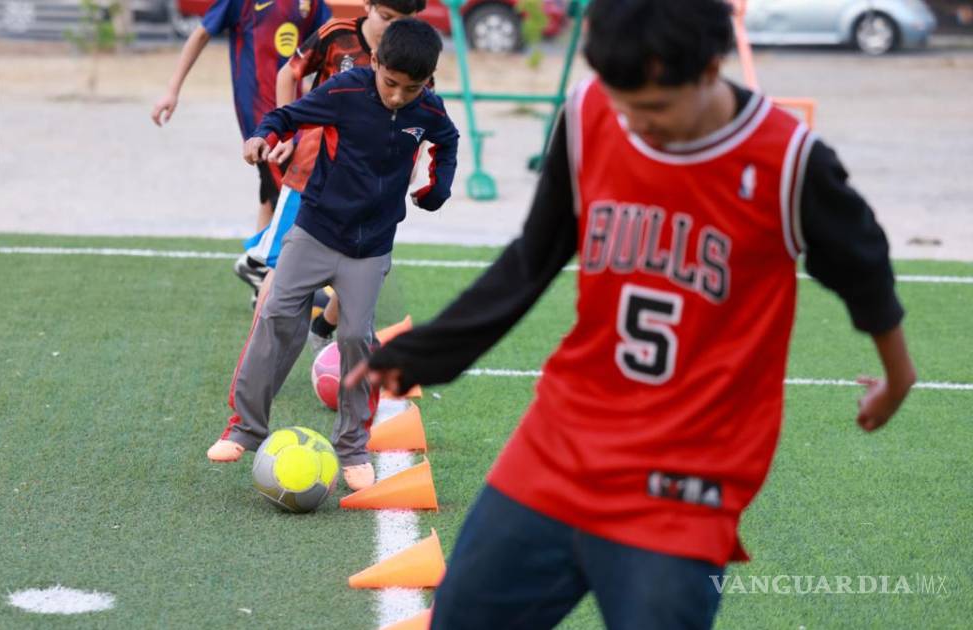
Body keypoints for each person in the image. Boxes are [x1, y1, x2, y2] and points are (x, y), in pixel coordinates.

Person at [346, 0, 917, 627]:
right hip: (562, 442)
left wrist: (898, 376)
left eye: (655, 109)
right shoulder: (589, 115)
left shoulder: (788, 162)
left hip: (686, 480)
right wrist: (432, 350)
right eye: (626, 107)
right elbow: (532, 258)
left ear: (710, 69)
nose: (638, 126)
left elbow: (864, 266)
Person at [207, 19, 460, 493]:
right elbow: (289, 115)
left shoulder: (428, 108)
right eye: (390, 83)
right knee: (277, 315)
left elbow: (448, 142)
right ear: (375, 62)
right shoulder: (346, 90)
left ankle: (352, 448)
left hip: (371, 246)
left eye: (411, 88)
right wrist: (263, 135)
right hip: (316, 231)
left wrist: (436, 188)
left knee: (356, 338)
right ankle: (245, 429)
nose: (397, 97)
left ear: (428, 81)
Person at [241, 0, 427, 348]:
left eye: (403, 20)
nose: (392, 27)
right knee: (280, 270)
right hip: (312, 172)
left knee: (362, 264)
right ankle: (257, 357)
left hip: (371, 184)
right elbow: (288, 74)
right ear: (368, 6)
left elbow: (423, 113)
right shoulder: (337, 35)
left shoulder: (415, 53)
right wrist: (288, 135)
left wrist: (412, 157)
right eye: (386, 17)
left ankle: (323, 328)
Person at [149, 0, 330, 296]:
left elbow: (329, 45)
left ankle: (262, 280)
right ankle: (259, 264)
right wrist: (172, 89)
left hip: (293, 116)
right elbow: (201, 34)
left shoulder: (311, 3)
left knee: (273, 194)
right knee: (294, 195)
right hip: (262, 120)